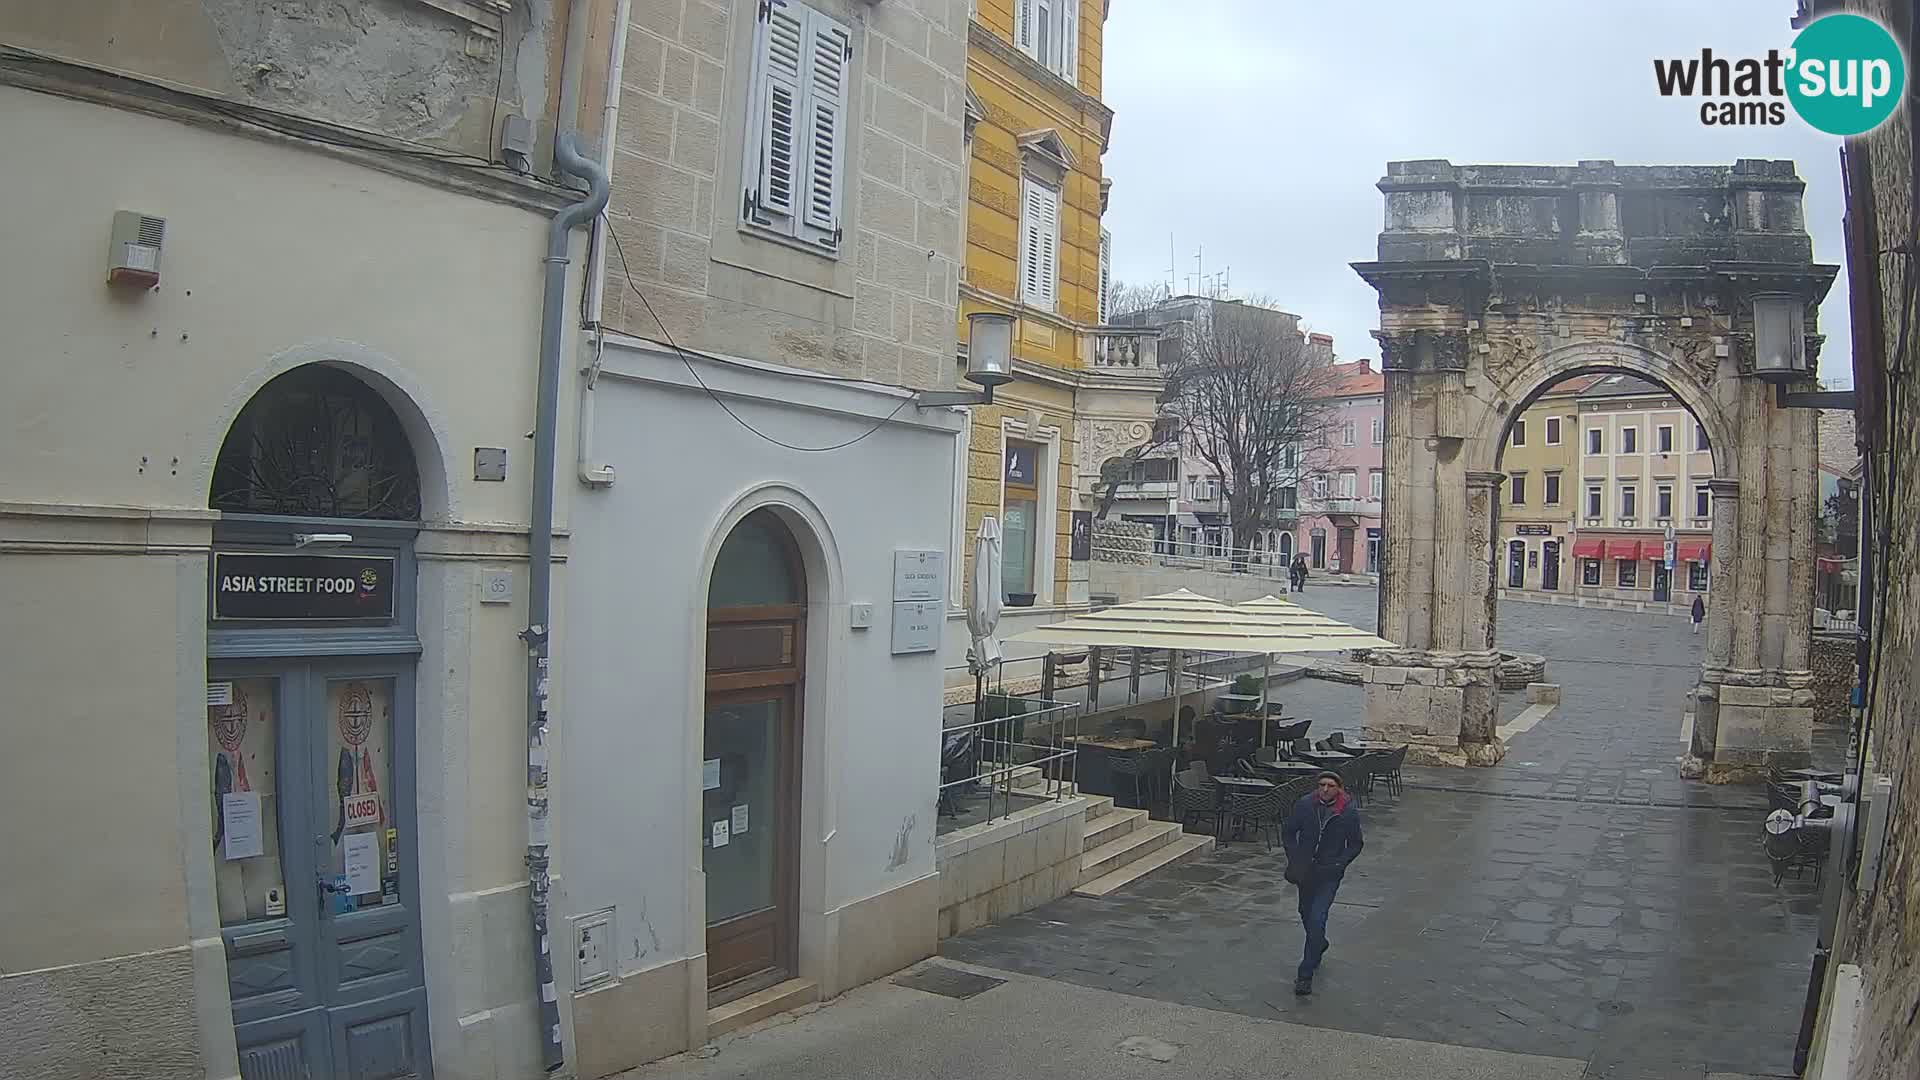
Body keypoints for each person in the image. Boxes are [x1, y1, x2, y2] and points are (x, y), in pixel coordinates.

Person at [1281, 770, 1364, 996]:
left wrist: (1340, 863)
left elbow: (1356, 843)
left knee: (1318, 917)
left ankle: (1304, 974)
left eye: (1330, 785)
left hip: (1329, 873)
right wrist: (1294, 856)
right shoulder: (1305, 805)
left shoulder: (1347, 812)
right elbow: (1288, 832)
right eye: (1321, 785)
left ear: (1339, 788)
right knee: (1305, 912)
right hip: (1305, 870)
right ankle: (1319, 944)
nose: (1325, 789)